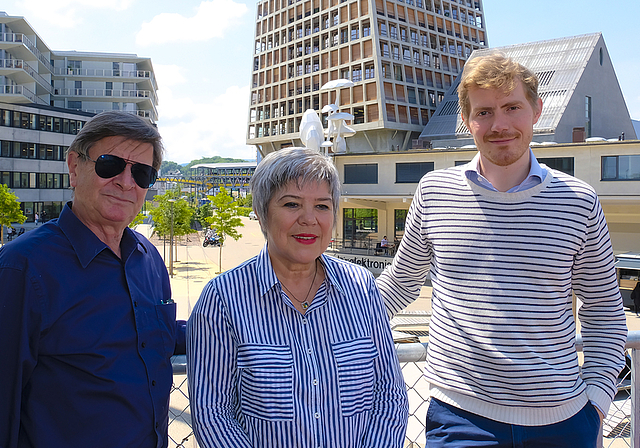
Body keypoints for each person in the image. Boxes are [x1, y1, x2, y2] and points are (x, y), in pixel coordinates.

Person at [377, 52, 627, 447]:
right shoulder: (434, 191)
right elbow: (399, 286)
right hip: (460, 420)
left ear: (536, 111)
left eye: (512, 107)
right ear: (466, 120)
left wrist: (596, 405)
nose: (500, 125)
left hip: (563, 422)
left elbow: (605, 313)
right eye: (484, 112)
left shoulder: (578, 200)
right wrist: (316, 302)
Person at [187, 147, 408, 448]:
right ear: (263, 212)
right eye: (291, 204)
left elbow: (389, 394)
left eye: (322, 206)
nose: (309, 219)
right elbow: (213, 414)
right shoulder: (222, 300)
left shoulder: (361, 288)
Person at [0, 111, 186, 448]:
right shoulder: (22, 268)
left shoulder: (147, 258)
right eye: (110, 165)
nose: (127, 182)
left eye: (142, 173)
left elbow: (154, 334)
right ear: (74, 166)